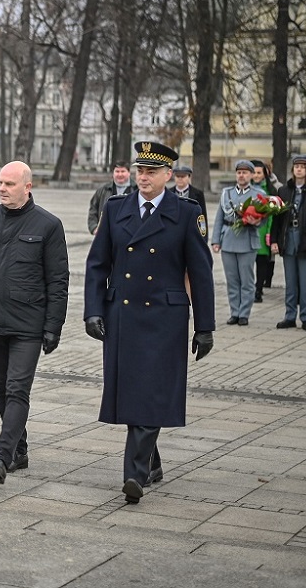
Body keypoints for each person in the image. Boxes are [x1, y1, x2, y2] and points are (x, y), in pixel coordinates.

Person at [84, 141, 215, 504]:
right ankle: (152, 463)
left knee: (151, 392)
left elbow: (200, 273)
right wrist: (93, 310)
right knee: (131, 392)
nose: (143, 177)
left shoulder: (186, 213)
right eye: (140, 170)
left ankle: (134, 474)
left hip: (165, 318)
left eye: (151, 172)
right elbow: (97, 264)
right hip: (123, 315)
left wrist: (205, 326)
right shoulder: (115, 209)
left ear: (168, 175)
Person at [0, 162, 69, 483]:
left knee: (18, 389)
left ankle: (2, 456)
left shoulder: (48, 225)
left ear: (27, 186)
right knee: (1, 389)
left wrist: (53, 326)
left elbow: (58, 280)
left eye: (9, 183)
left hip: (28, 324)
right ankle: (19, 451)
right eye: (0, 183)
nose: (2, 188)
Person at [271, 154, 306, 331]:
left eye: (303, 166)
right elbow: (276, 219)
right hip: (288, 239)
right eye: (296, 166)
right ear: (292, 169)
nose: (299, 169)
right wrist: (275, 241)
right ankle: (290, 315)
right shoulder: (284, 190)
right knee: (290, 282)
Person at [212, 160, 264, 326]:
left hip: (247, 240)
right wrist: (215, 240)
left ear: (251, 175)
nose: (242, 175)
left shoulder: (258, 194)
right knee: (232, 280)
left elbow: (264, 219)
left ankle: (244, 314)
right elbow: (220, 217)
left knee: (247, 281)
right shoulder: (226, 193)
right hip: (228, 240)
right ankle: (234, 312)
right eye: (239, 172)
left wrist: (257, 222)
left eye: (245, 172)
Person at [252, 160, 279, 299]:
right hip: (248, 231)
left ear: (264, 174)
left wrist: (270, 233)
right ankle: (250, 288)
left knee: (262, 261)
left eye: (259, 173)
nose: (256, 176)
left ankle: (258, 289)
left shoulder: (270, 191)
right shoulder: (245, 189)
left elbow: (272, 216)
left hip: (263, 232)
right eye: (254, 172)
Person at [88, 162, 136, 234]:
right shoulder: (103, 190)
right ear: (113, 173)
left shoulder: (137, 190)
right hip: (107, 234)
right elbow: (93, 210)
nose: (120, 174)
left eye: (123, 171)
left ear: (129, 173)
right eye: (117, 171)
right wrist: (94, 228)